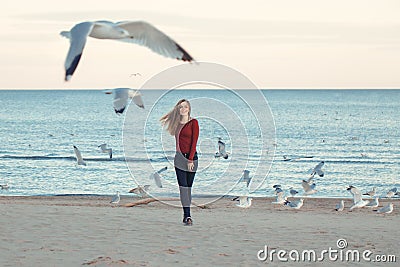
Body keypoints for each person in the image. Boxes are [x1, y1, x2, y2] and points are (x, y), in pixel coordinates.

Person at [160, 99, 199, 226]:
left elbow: (194, 142)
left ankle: (187, 214)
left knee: (188, 189)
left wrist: (190, 159)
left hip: (191, 159)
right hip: (178, 158)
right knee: (183, 189)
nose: (183, 109)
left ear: (189, 109)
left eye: (185, 107)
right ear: (178, 109)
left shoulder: (194, 123)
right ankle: (187, 216)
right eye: (181, 107)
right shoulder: (176, 123)